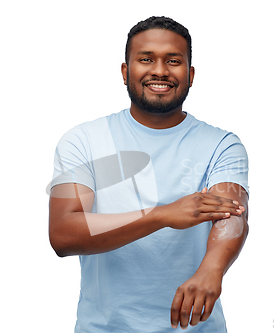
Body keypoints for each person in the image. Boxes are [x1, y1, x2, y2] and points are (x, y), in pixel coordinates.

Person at [48, 16, 249, 332]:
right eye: (146, 59)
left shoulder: (221, 144)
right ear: (126, 72)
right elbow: (62, 233)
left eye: (173, 61)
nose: (160, 70)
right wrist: (162, 215)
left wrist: (212, 269)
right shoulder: (84, 140)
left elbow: (232, 215)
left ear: (190, 75)